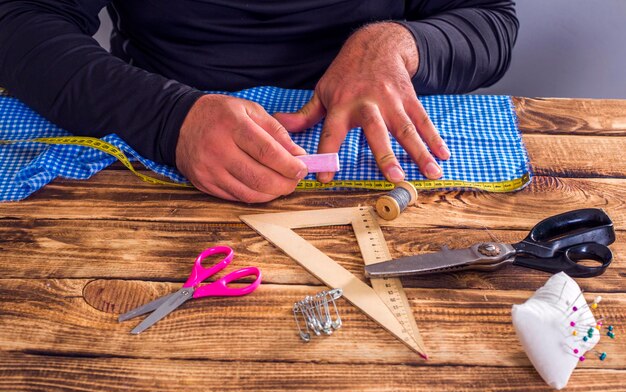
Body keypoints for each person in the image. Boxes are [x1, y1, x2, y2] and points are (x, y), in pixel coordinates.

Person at [0, 1, 518, 203]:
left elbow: (489, 20)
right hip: (151, 145)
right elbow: (20, 20)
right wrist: (168, 119)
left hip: (365, 157)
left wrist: (398, 45)